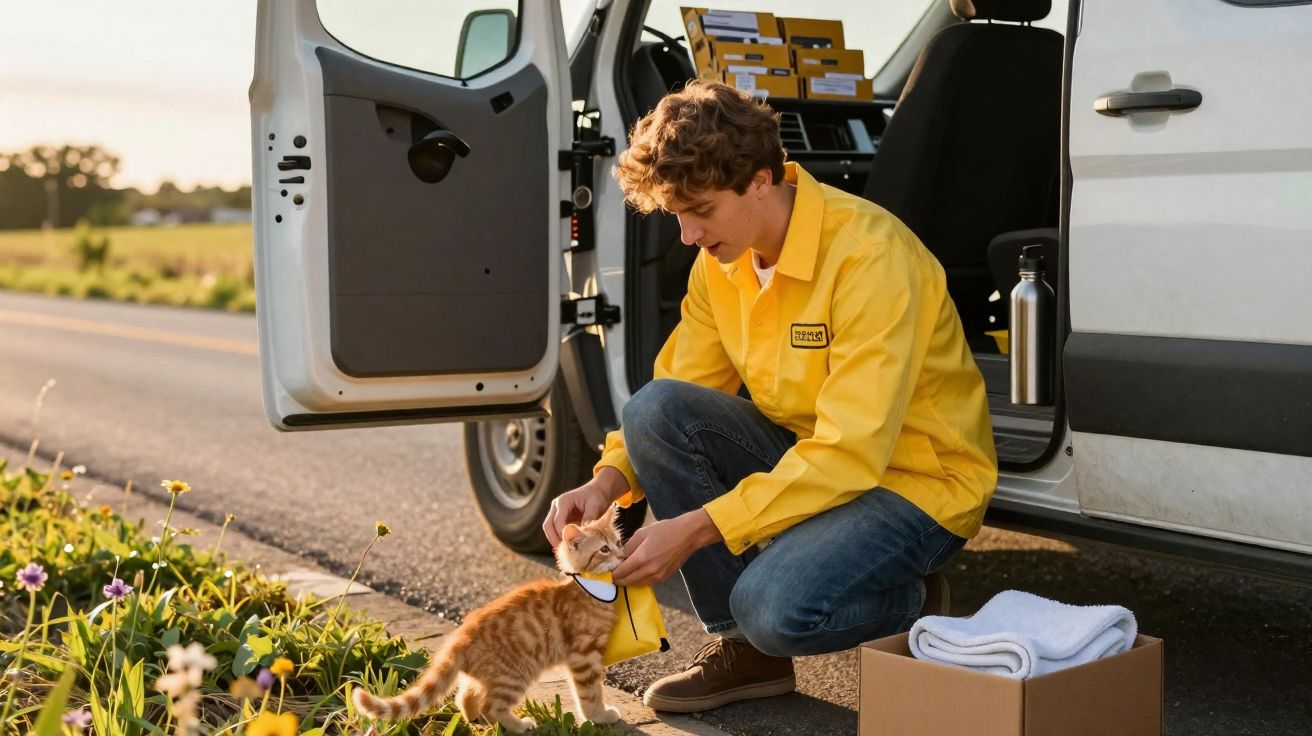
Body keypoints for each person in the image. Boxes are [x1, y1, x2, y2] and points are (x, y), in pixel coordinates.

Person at [542, 80, 997, 714]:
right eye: (676, 214)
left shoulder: (871, 257)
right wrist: (607, 483)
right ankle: (743, 654)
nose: (687, 235)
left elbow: (853, 450)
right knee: (656, 410)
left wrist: (695, 530)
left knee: (772, 609)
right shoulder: (721, 262)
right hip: (814, 456)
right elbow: (683, 388)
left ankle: (918, 602)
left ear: (760, 179)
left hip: (915, 483)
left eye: (699, 209)